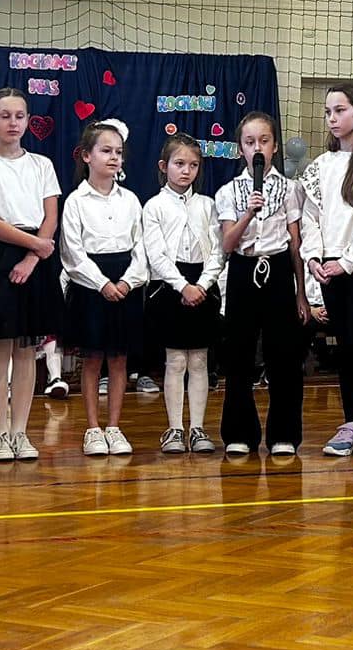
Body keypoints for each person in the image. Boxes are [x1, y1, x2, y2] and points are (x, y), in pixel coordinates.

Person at [0, 87, 62, 461]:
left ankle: (20, 431)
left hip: (34, 257)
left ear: (28, 120)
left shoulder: (42, 165)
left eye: (20, 116)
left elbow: (50, 217)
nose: (13, 123)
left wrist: (33, 257)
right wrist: (36, 245)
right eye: (4, 116)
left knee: (26, 349)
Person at [299, 85, 353, 457]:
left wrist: (348, 262)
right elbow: (310, 218)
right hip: (328, 265)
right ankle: (351, 422)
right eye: (328, 112)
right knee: (343, 344)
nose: (332, 118)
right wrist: (314, 258)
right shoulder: (321, 165)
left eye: (340, 110)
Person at [216, 112, 308, 455]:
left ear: (275, 146)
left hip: (278, 268)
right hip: (243, 269)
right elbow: (228, 243)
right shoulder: (229, 191)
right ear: (240, 148)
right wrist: (248, 213)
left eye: (264, 141)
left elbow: (295, 244)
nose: (258, 148)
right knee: (239, 354)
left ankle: (284, 434)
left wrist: (301, 294)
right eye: (250, 142)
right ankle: (239, 433)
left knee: (284, 355)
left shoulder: (290, 189)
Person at [61, 120, 149, 456]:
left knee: (119, 358)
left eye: (118, 152)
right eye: (106, 151)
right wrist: (102, 284)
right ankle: (93, 428)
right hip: (91, 286)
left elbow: (141, 247)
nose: (114, 158)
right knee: (93, 357)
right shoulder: (76, 201)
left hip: (125, 282)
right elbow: (72, 253)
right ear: (87, 155)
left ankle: (114, 426)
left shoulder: (130, 200)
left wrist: (127, 281)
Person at [142, 134, 223, 454]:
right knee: (175, 360)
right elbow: (156, 254)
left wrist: (202, 284)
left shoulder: (207, 205)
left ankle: (198, 428)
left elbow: (218, 250)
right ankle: (175, 428)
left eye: (193, 165)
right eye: (179, 164)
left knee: (200, 360)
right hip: (170, 286)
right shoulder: (154, 206)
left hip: (202, 285)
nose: (186, 171)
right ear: (164, 166)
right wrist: (182, 286)